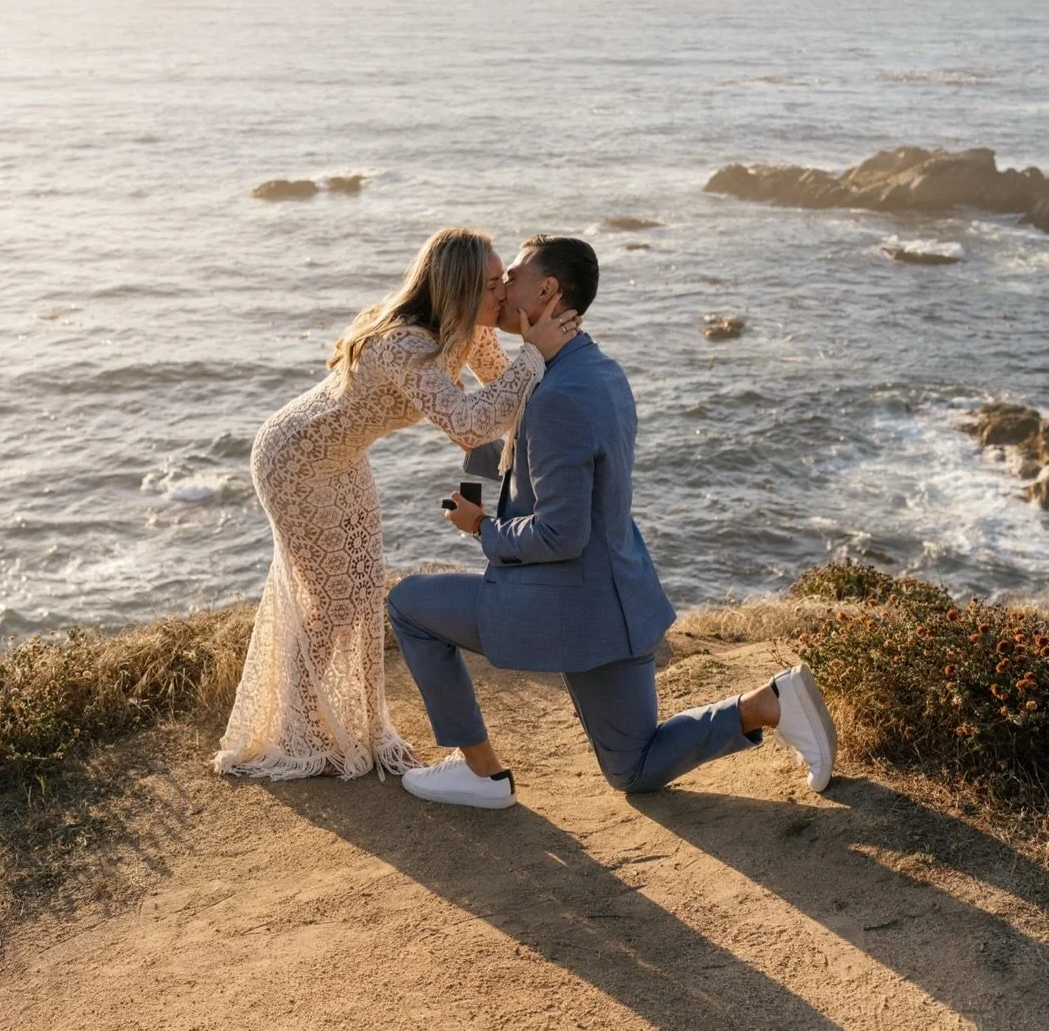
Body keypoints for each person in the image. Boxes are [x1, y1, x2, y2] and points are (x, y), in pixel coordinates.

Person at [388, 235, 837, 809]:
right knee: (633, 768)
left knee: (409, 607)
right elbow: (505, 432)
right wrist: (475, 496)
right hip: (616, 598)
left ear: (547, 291)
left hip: (560, 604)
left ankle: (482, 775)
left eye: (514, 277)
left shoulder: (556, 395)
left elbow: (559, 533)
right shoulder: (594, 369)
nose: (500, 289)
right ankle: (768, 704)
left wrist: (483, 530)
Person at [214, 227, 580, 782]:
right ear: (456, 289)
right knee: (332, 599)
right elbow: (467, 420)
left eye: (505, 279)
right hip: (293, 459)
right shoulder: (402, 344)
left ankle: (356, 727)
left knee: (360, 592)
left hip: (343, 458)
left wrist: (545, 353)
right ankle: (301, 731)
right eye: (490, 285)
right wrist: (535, 354)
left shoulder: (468, 332)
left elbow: (504, 392)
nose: (502, 294)